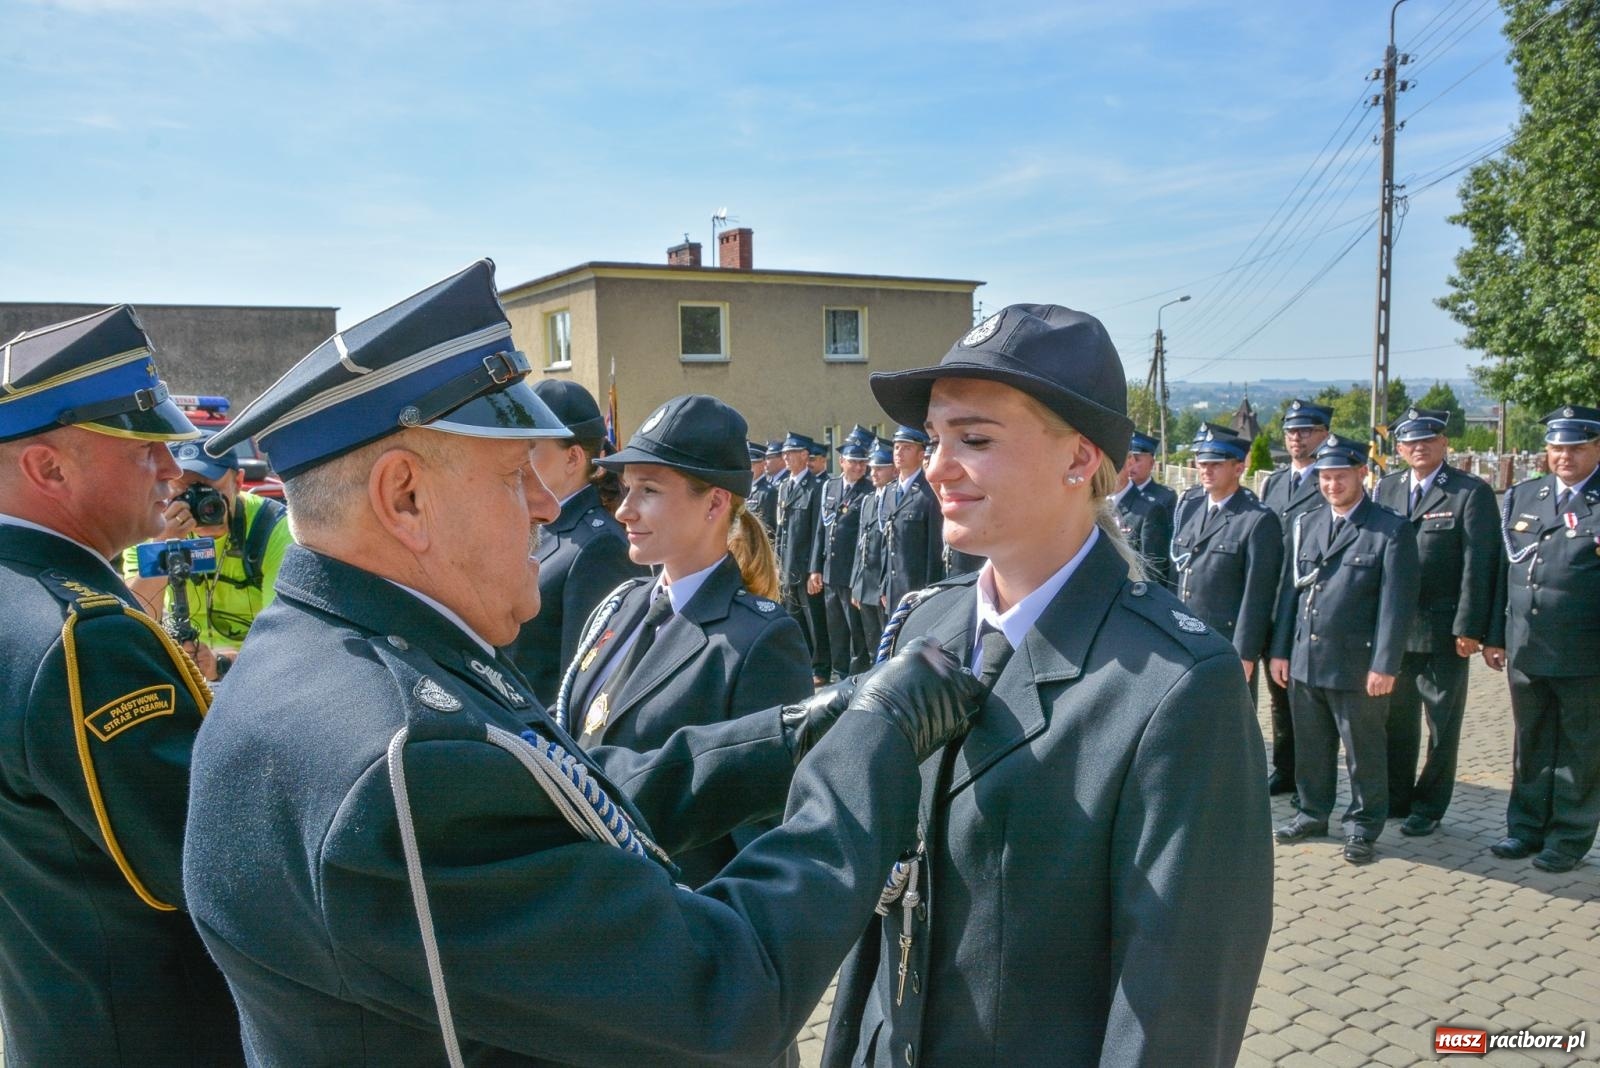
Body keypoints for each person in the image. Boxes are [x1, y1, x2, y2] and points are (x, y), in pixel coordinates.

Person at [181, 260, 984, 1065]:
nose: (544, 503)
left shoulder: (332, 657)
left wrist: (796, 732)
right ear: (405, 498)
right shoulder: (404, 753)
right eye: (511, 476)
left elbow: (575, 799)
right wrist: (868, 748)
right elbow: (721, 995)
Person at [823, 303, 1272, 1068]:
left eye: (975, 439)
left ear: (1078, 459)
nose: (935, 466)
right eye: (935, 439)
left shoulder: (1176, 686)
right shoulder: (927, 620)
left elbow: (1174, 1010)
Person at [0, 305, 243, 1064]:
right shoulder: (87, 635)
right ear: (47, 468)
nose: (175, 469)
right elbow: (209, 867)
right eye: (145, 450)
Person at [554, 393, 812, 886]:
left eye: (648, 490)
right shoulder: (624, 605)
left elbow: (763, 838)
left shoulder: (757, 639)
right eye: (626, 489)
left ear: (715, 501)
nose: (625, 510)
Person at [1271, 435, 1419, 865]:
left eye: (1340, 476)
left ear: (1361, 474)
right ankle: (1312, 812)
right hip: (1306, 660)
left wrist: (1385, 664)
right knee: (1311, 747)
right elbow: (1290, 594)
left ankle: (1362, 825)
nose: (1331, 485)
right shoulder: (1309, 524)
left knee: (1363, 752)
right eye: (1324, 477)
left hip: (1358, 665)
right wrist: (1281, 651)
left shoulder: (1390, 529)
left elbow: (1397, 604)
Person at [1483, 405, 1600, 873]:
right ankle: (1525, 828)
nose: (1564, 455)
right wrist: (1495, 636)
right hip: (1526, 647)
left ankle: (1568, 837)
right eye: (1557, 446)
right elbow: (1501, 574)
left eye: (1576, 446)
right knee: (1530, 742)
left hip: (1584, 652)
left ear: (1596, 448)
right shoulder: (1525, 496)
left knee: (1579, 747)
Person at [1372, 407, 1498, 835]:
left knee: (1441, 723)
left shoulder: (1469, 492)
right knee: (1396, 719)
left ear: (1444, 444)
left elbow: (1477, 566)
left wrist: (1470, 626)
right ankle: (1396, 796)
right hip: (1395, 630)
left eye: (1428, 439)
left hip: (1445, 630)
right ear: (1400, 447)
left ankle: (1430, 806)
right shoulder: (1386, 489)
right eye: (1409, 441)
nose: (1418, 447)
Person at [503, 378, 645, 705]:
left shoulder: (598, 547)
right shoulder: (538, 524)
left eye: (531, 448)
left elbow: (580, 687)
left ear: (573, 458)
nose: (518, 458)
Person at [122, 430, 293, 682]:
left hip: (257, 672)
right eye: (185, 491)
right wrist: (163, 547)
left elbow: (285, 636)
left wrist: (221, 664)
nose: (201, 502)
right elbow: (134, 624)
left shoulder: (273, 529)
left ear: (238, 482)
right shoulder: (148, 528)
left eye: (209, 488)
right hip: (179, 670)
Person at [1170, 424, 1283, 698]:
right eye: (1203, 463)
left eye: (1216, 464)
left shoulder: (1256, 519)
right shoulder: (1189, 507)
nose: (1206, 470)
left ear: (1238, 467)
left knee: (1228, 727)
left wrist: (1245, 653)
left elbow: (1258, 595)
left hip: (1225, 642)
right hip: (1184, 636)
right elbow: (1175, 574)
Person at [1258, 399, 1334, 797]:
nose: (1296, 437)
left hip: (1309, 600)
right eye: (1290, 430)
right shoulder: (1274, 481)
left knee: (1303, 697)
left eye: (1305, 430)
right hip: (1273, 600)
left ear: (1324, 434)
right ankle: (1284, 768)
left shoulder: (1332, 477)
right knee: (1278, 694)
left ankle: (1312, 777)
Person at [811, 437, 874, 678]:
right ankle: (839, 674)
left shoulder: (868, 491)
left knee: (855, 630)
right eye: (854, 462)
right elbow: (821, 530)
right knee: (835, 628)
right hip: (830, 571)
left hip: (851, 572)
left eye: (863, 463)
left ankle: (856, 676)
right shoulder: (830, 486)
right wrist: (815, 568)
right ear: (842, 461)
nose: (860, 467)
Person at [775, 430, 826, 680]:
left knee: (813, 620)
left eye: (790, 453)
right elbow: (781, 529)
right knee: (793, 619)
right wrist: (776, 564)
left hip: (805, 566)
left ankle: (820, 667)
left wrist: (815, 569)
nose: (785, 458)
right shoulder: (785, 486)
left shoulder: (816, 487)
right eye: (784, 453)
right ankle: (802, 664)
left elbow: (818, 531)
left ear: (805, 456)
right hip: (787, 565)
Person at [881, 424, 944, 613]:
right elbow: (887, 543)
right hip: (893, 588)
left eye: (906, 447)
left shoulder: (929, 492)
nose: (899, 452)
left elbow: (935, 547)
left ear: (920, 454)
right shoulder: (889, 491)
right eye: (897, 447)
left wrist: (931, 589)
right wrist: (885, 583)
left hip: (917, 588)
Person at [851, 439, 894, 654]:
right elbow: (861, 544)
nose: (873, 473)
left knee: (886, 637)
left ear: (893, 470)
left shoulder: (894, 498)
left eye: (880, 469)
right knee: (871, 639)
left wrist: (885, 585)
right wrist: (855, 583)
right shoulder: (869, 500)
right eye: (873, 468)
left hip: (882, 580)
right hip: (865, 581)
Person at [1111, 440, 1174, 589]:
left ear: (1129, 461)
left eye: (1114, 460)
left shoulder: (1150, 510)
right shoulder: (1093, 505)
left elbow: (1152, 573)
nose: (1106, 468)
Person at [1126, 429, 1176, 518]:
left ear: (1151, 463)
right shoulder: (1113, 493)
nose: (1130, 464)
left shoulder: (1165, 497)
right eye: (1128, 458)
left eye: (1136, 459)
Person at [749, 439, 785, 539]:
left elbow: (770, 528)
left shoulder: (769, 492)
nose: (749, 469)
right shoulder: (747, 489)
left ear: (763, 465)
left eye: (752, 465)